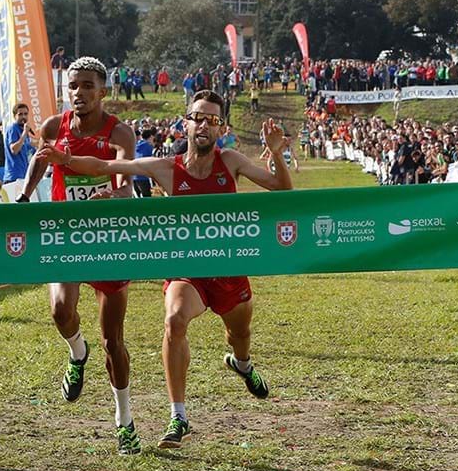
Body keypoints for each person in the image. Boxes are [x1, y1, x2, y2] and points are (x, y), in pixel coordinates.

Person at [37, 90, 292, 450]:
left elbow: (282, 189)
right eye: (197, 117)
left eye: (212, 120)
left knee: (240, 336)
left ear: (222, 129)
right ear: (184, 123)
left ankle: (242, 364)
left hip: (229, 270)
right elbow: (107, 167)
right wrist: (64, 157)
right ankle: (179, 416)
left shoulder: (231, 160)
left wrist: (277, 154)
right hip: (187, 272)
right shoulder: (167, 168)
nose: (203, 125)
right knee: (174, 320)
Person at [18, 56, 139, 455]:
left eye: (88, 85)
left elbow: (126, 185)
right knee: (59, 311)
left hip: (107, 242)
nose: (79, 92)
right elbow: (40, 158)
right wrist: (23, 196)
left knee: (113, 343)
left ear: (103, 91)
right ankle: (76, 352)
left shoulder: (120, 132)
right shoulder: (55, 127)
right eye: (73, 86)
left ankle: (124, 421)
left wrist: (114, 194)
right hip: (66, 236)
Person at [3, 103, 38, 184]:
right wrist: (25, 133)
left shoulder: (25, 132)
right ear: (15, 116)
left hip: (24, 175)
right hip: (13, 176)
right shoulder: (13, 128)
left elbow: (30, 151)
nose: (23, 117)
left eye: (25, 114)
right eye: (20, 114)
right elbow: (14, 150)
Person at [134, 128, 156, 198]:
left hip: (134, 176)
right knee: (148, 198)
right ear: (151, 136)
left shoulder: (137, 145)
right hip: (143, 176)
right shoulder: (149, 147)